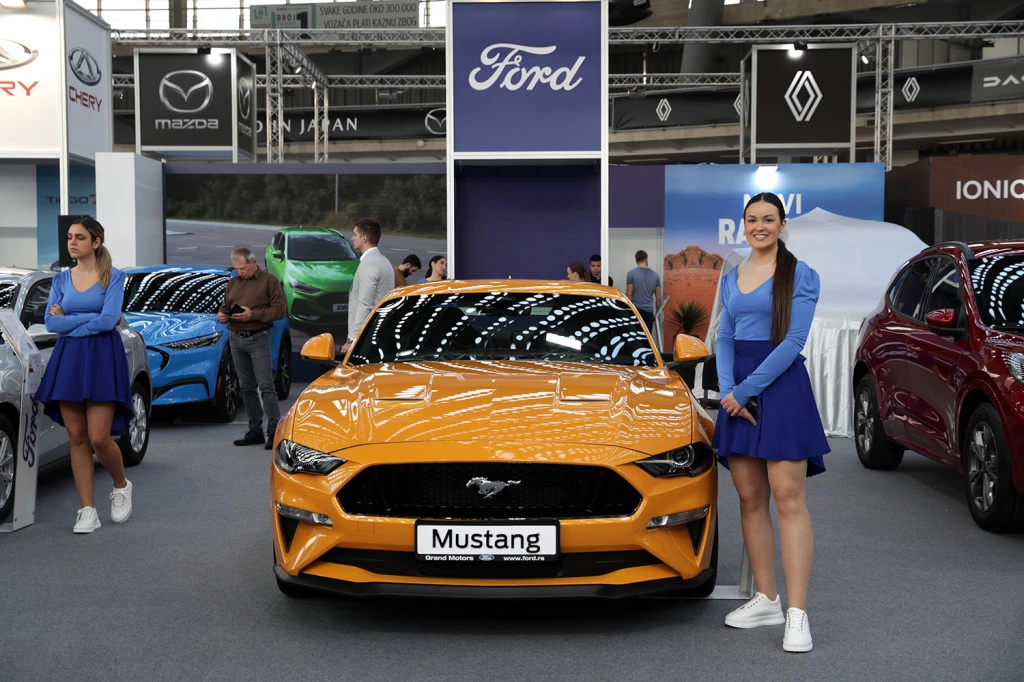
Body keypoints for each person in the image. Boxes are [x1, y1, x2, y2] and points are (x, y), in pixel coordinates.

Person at [713, 192, 829, 653]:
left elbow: (794, 341)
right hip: (737, 392)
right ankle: (767, 599)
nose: (758, 226)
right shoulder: (731, 275)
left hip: (779, 387)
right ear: (743, 225)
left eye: (767, 219)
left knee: (788, 498)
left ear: (782, 225)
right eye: (751, 219)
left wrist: (745, 391)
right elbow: (724, 335)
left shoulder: (801, 274)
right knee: (749, 498)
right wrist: (728, 392)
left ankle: (798, 613)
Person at [35, 217, 134, 534]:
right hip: (70, 358)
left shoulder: (113, 277)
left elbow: (109, 320)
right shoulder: (61, 280)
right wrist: (86, 318)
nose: (72, 242)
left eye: (79, 237)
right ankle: (87, 510)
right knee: (77, 438)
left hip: (102, 356)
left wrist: (71, 320)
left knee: (99, 437)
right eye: (69, 237)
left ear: (96, 241)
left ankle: (121, 485)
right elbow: (51, 324)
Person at [217, 247, 287, 450]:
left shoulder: (269, 281)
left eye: (243, 268)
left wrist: (253, 315)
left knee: (266, 386)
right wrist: (222, 314)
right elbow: (225, 305)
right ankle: (255, 430)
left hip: (258, 338)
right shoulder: (233, 282)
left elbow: (280, 310)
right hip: (236, 338)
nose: (240, 272)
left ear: (253, 263)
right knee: (246, 387)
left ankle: (273, 432)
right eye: (237, 269)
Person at [341, 218, 395, 354]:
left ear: (364, 238)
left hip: (366, 339)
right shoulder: (384, 261)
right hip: (380, 334)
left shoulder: (369, 263)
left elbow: (365, 303)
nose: (352, 238)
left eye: (355, 234)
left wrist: (351, 339)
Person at [626, 250, 661, 332]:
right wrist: (658, 314)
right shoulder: (656, 275)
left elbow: (629, 295)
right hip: (649, 311)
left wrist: (627, 312)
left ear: (636, 260)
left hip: (635, 311)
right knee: (647, 338)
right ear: (647, 258)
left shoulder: (631, 273)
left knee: (636, 338)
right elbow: (659, 298)